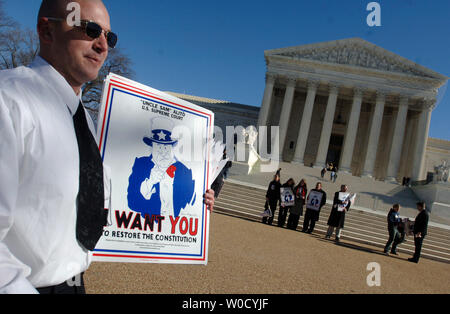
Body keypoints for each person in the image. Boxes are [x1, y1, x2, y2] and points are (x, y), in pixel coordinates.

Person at [0, 0, 215, 294]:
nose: (103, 45)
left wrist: (191, 203)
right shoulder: (9, 100)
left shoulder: (85, 121)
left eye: (109, 37)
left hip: (74, 283)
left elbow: (98, 206)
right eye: (90, 29)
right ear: (46, 30)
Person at [127, 117, 195, 218]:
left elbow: (193, 204)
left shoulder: (185, 171)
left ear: (171, 148)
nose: (163, 152)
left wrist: (207, 200)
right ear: (152, 147)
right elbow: (132, 202)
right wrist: (150, 182)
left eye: (166, 146)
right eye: (158, 146)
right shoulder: (141, 165)